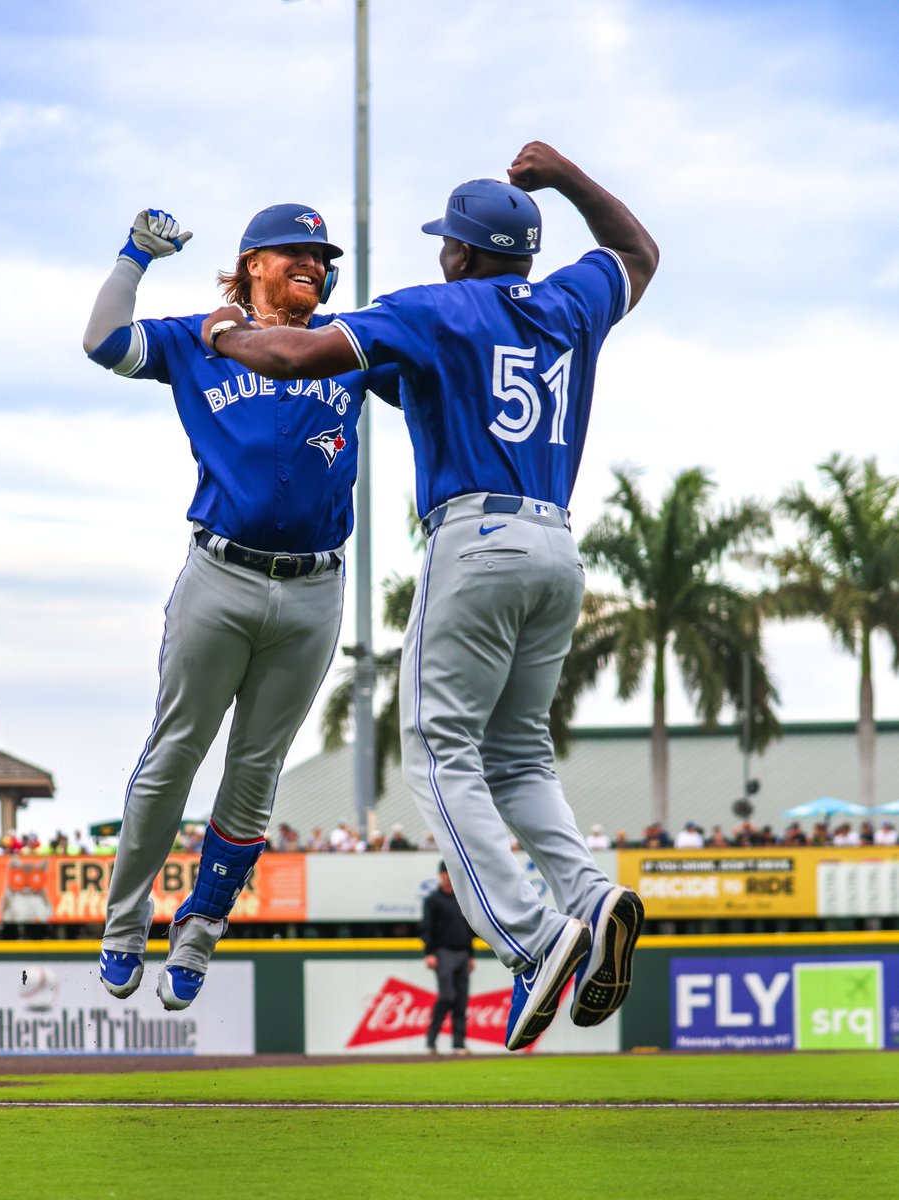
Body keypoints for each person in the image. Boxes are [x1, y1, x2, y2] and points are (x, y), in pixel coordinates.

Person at [201, 139, 658, 1051]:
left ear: (459, 251)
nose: (441, 253)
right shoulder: (569, 301)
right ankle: (590, 896)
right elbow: (638, 252)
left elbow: (293, 356)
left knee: (439, 753)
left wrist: (221, 332)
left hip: (476, 541)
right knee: (519, 754)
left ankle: (535, 940)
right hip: (556, 547)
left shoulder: (435, 307)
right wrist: (566, 176)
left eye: (447, 242)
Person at [83, 203, 396, 1013]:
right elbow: (105, 343)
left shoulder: (345, 343)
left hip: (315, 586)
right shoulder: (198, 336)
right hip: (219, 574)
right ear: (253, 261)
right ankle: (125, 927)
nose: (314, 265)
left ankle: (197, 936)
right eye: (296, 252)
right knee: (174, 753)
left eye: (322, 257)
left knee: (254, 775)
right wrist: (132, 259)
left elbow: (431, 379)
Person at [421, 862, 475, 1056]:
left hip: (462, 953)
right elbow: (426, 929)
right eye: (445, 873)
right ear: (440, 875)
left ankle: (458, 1044)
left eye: (449, 873)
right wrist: (429, 953)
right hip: (442, 952)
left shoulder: (463, 900)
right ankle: (431, 1040)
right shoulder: (432, 900)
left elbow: (470, 930)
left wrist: (470, 955)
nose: (447, 877)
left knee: (461, 1000)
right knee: (447, 996)